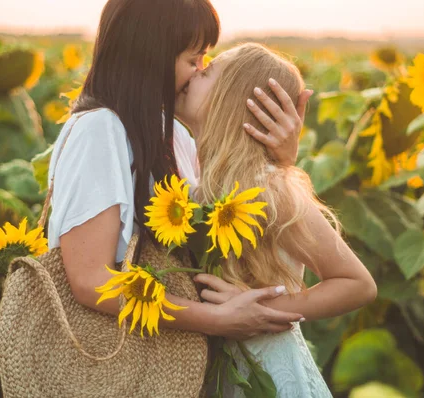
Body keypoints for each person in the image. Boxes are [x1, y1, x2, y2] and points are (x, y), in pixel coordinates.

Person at [47, 0, 313, 344]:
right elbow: (90, 279)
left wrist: (280, 163)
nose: (199, 71)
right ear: (149, 56)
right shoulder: (100, 129)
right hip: (112, 356)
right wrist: (214, 319)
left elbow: (229, 233)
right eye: (193, 59)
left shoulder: (172, 134)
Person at [176, 43, 378, 397]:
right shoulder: (197, 173)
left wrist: (262, 308)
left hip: (269, 374)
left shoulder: (267, 185)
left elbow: (358, 284)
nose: (194, 73)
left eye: (206, 72)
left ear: (231, 100)